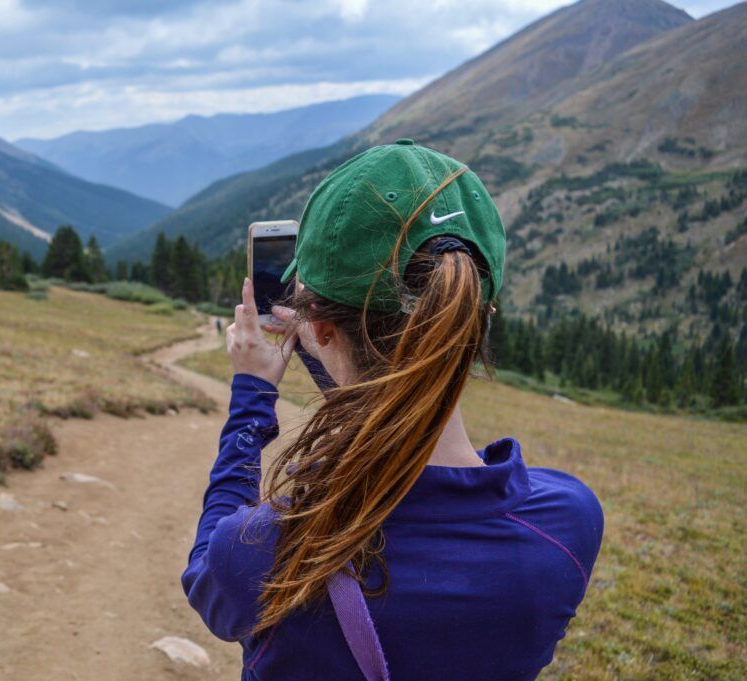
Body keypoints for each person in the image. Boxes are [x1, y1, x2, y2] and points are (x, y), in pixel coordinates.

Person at [181, 139, 604, 680]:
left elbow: (205, 576)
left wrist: (251, 394)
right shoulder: (565, 524)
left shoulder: (270, 552)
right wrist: (325, 341)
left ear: (321, 327)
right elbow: (397, 404)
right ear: (476, 319)